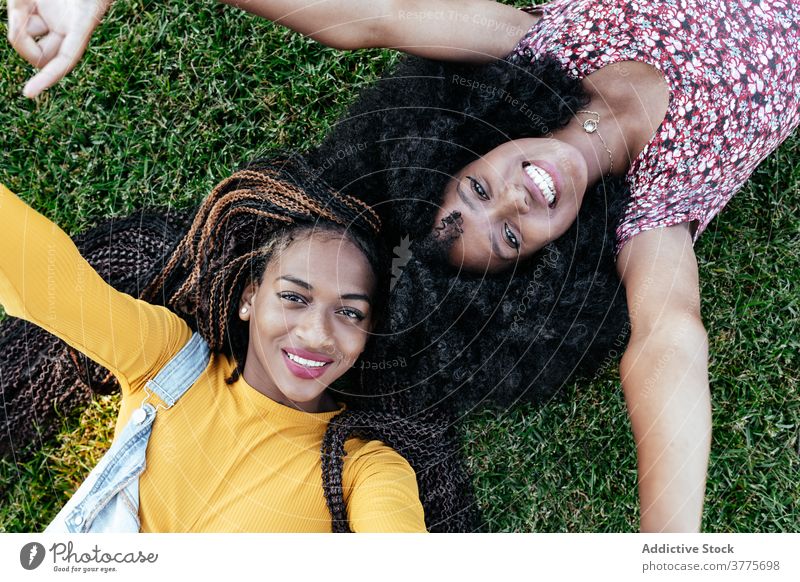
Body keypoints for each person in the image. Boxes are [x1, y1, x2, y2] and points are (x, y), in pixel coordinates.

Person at [0, 157, 428, 532]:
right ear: (248, 298)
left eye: (350, 312)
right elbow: (45, 280)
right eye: (294, 298)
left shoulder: (364, 470)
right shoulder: (166, 359)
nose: (317, 334)